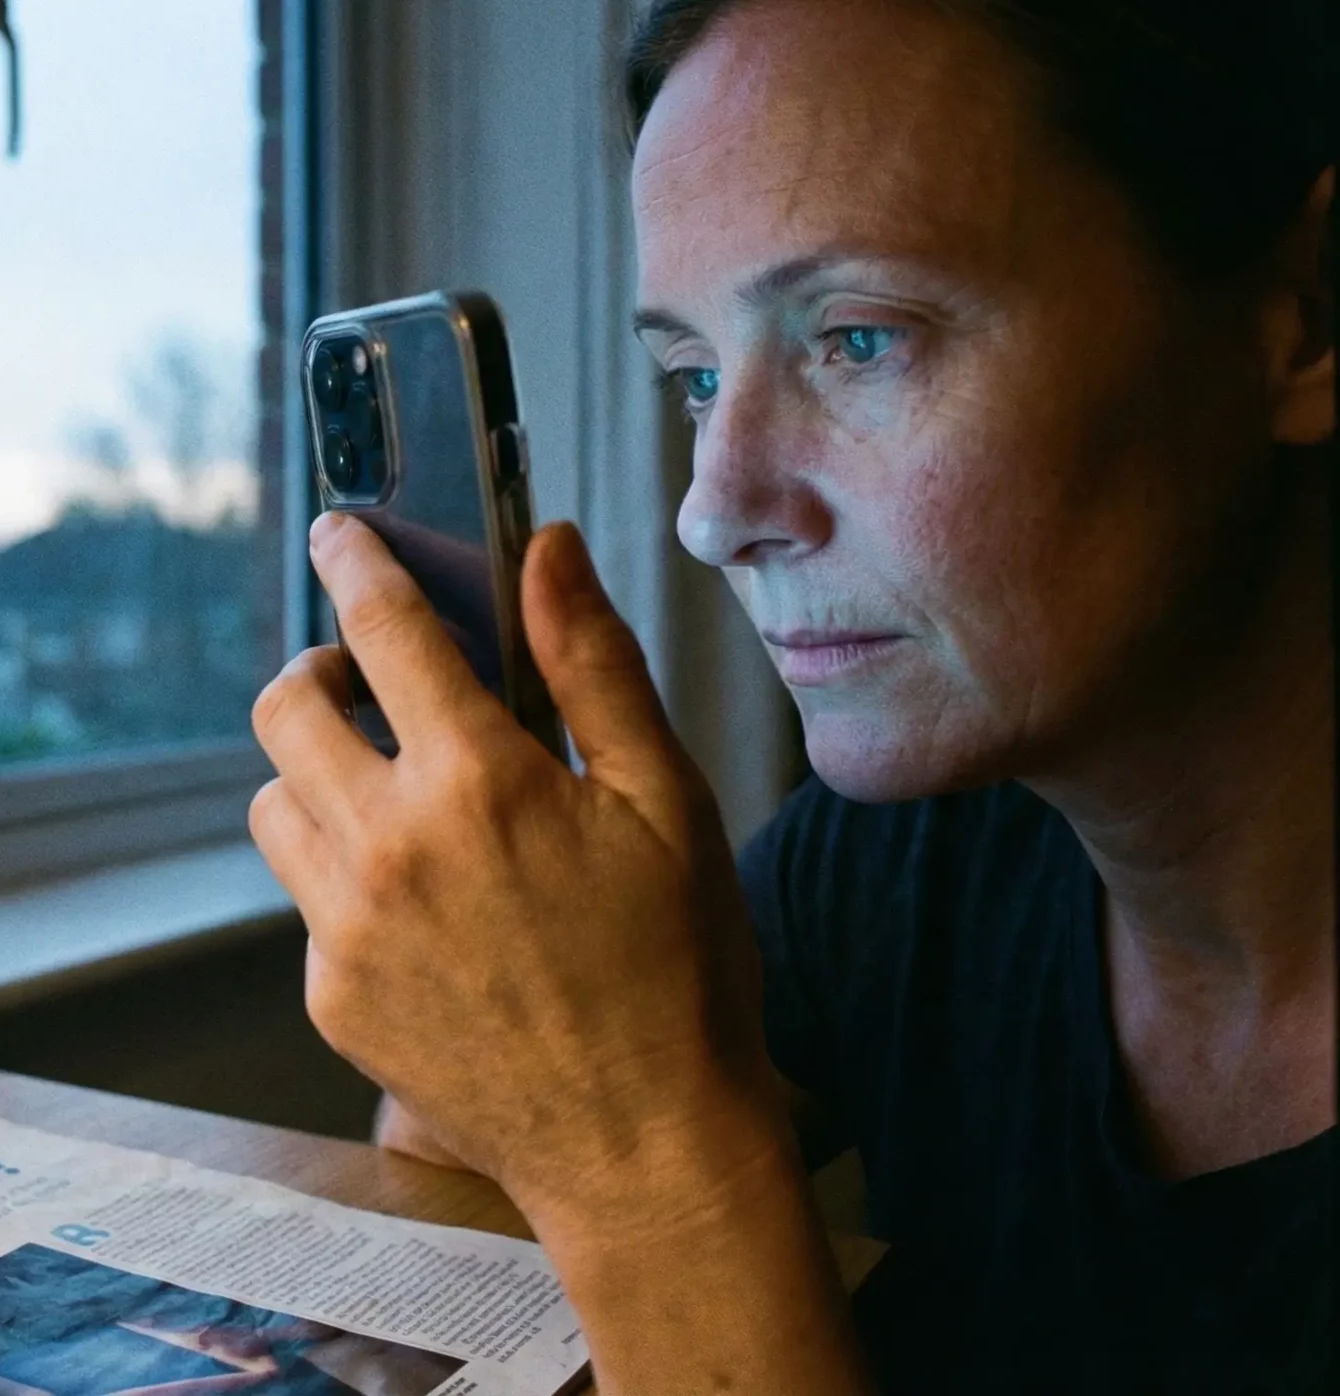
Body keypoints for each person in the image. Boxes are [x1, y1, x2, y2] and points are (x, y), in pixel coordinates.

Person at [246, 0, 1334, 1390]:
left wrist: (636, 1154)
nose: (714, 510)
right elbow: (475, 1191)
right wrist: (508, 966)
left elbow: (610, 1178)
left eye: (859, 340)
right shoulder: (898, 863)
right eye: (695, 375)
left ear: (1303, 316)